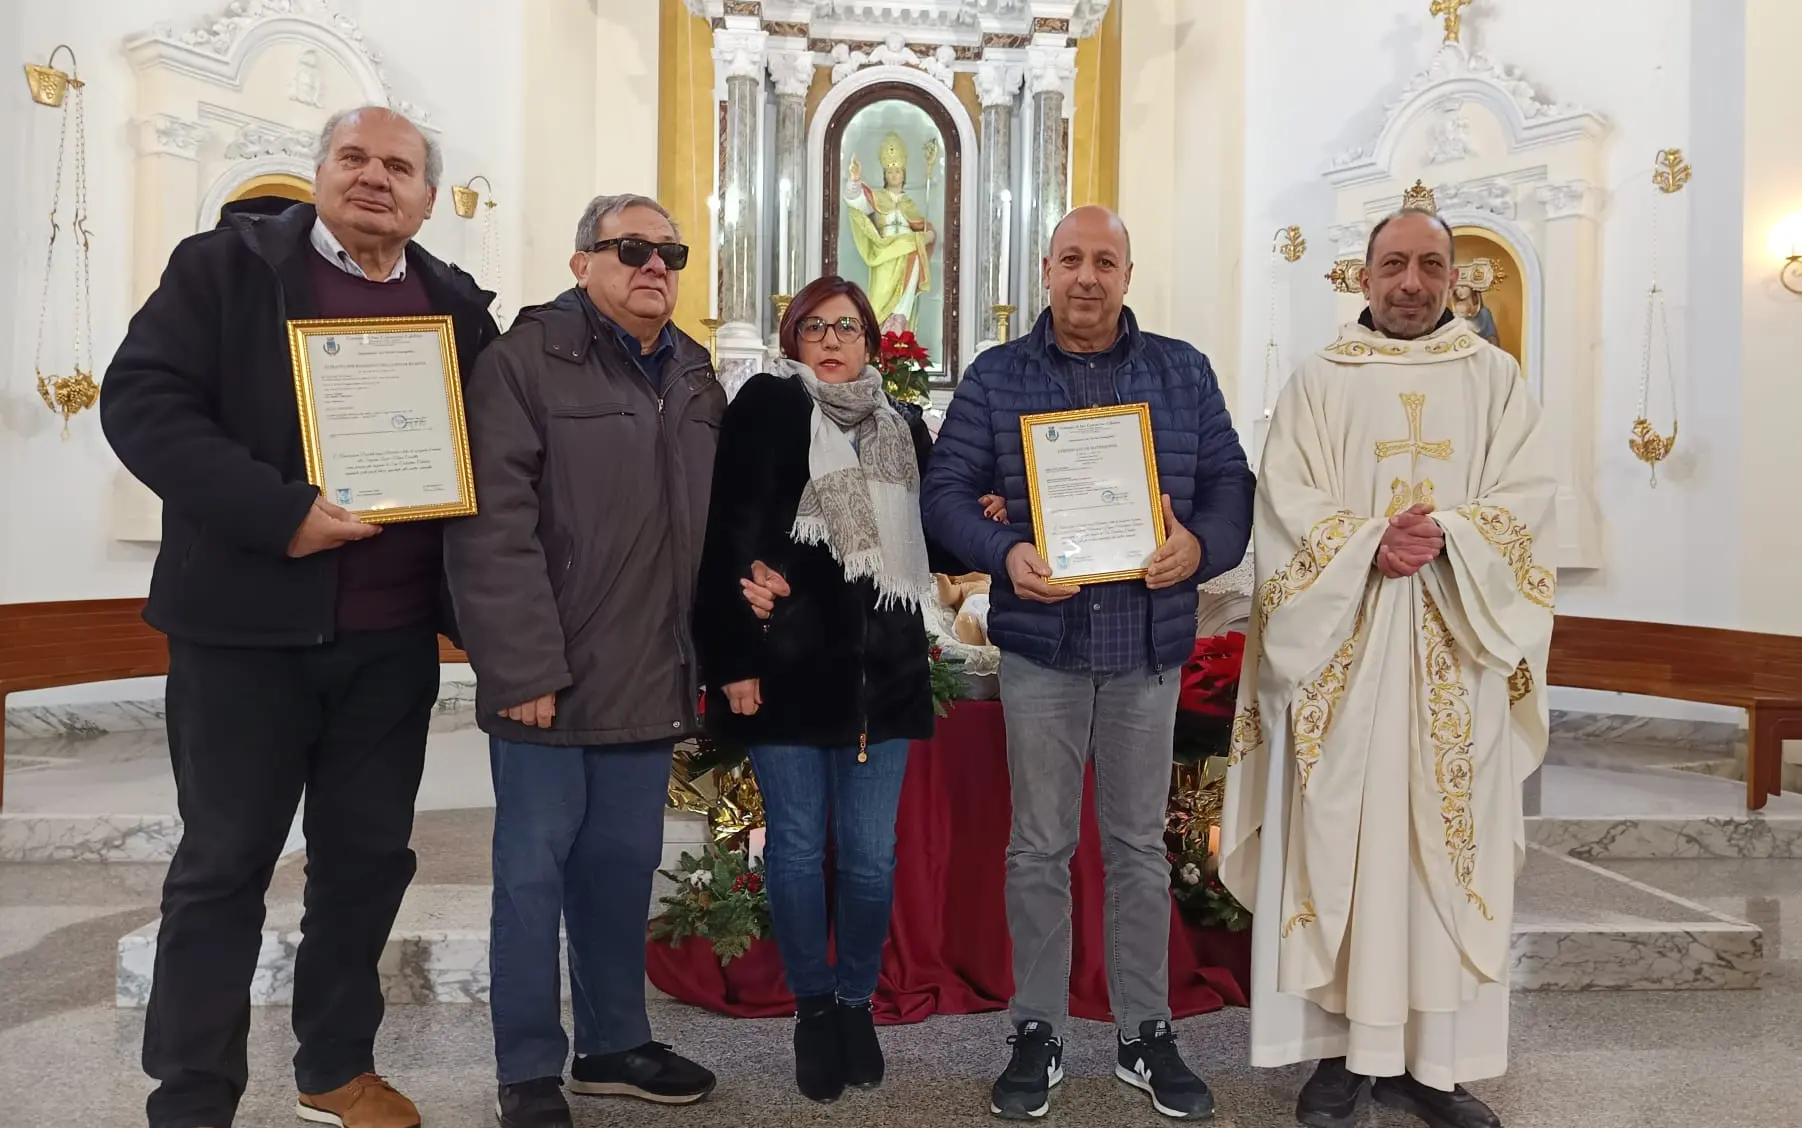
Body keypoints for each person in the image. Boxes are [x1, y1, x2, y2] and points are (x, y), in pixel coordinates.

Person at [101, 106, 498, 1128]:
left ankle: (335, 1066)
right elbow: (142, 403)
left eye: (398, 166)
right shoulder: (224, 270)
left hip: (391, 644)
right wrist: (279, 513)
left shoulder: (454, 304)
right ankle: (192, 1095)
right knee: (223, 867)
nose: (374, 177)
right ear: (319, 172)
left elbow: (494, 456)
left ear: (426, 197)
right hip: (244, 637)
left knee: (365, 866)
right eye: (353, 158)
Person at [446, 193, 781, 1128]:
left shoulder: (695, 375)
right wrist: (523, 668)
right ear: (580, 261)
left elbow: (716, 528)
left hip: (648, 670)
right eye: (631, 248)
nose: (654, 266)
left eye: (669, 252)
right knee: (531, 879)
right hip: (551, 679)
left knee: (621, 870)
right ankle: (525, 1068)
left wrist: (745, 597)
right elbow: (491, 528)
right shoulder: (522, 363)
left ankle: (611, 1045)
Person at [1219, 209, 1555, 1128]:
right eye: (1394, 264)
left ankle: (1434, 1066)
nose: (1412, 282)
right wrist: (1370, 541)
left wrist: (1446, 532)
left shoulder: (1495, 379)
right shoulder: (1320, 379)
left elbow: (1528, 501)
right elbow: (1284, 503)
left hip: (1458, 656)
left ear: (1457, 279)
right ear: (1362, 277)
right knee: (1343, 848)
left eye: (1431, 265)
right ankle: (1340, 1061)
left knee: (1439, 851)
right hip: (1344, 662)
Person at [921, 205, 1255, 1121]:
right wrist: (1005, 555)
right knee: (1038, 847)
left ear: (1128, 275)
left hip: (1147, 650)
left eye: (1106, 261)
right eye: (1072, 258)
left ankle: (1146, 1032)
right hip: (1045, 648)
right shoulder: (997, 376)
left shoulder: (1181, 372)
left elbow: (1230, 485)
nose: (1087, 277)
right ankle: (1037, 1028)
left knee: (1139, 848)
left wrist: (1201, 545)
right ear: (1046, 269)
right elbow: (944, 493)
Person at [696, 275, 953, 1105]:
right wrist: (735, 658)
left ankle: (855, 1005)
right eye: (816, 327)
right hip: (788, 671)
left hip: (887, 678)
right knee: (799, 851)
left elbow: (939, 537)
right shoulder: (769, 407)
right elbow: (730, 534)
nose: (833, 340)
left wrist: (994, 508)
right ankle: (812, 1010)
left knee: (872, 859)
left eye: (847, 327)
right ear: (793, 340)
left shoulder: (902, 424)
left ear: (872, 341)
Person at [1450, 282, 1499, 347]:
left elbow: (1492, 337)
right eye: (1457, 289)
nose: (1459, 291)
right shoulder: (1455, 314)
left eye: (1462, 287)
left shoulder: (1484, 313)